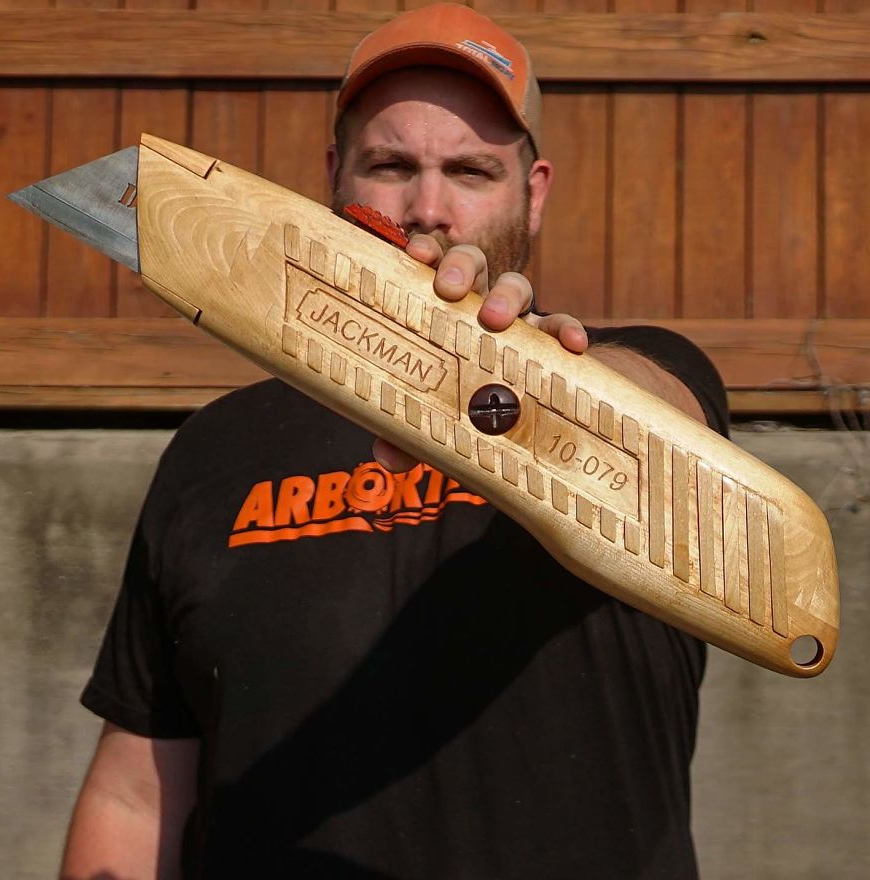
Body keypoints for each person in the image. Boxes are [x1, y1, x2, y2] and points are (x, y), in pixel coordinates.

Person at [61, 4, 728, 878]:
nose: (427, 208)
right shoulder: (213, 449)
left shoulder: (639, 383)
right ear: (335, 175)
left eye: (471, 170)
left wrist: (535, 394)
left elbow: (667, 420)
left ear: (532, 194)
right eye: (390, 164)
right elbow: (136, 794)